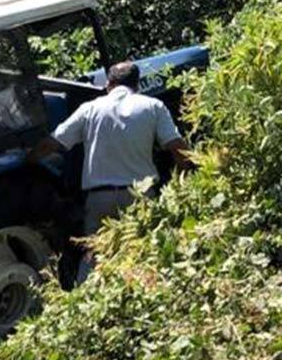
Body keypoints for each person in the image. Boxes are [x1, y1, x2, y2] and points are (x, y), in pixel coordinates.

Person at [26, 61, 191, 282]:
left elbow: (54, 142)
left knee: (95, 258)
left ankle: (87, 295)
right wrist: (186, 177)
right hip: (140, 197)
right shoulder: (153, 106)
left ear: (108, 84)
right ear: (137, 84)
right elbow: (177, 146)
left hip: (99, 199)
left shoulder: (89, 109)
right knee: (145, 254)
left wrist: (29, 159)